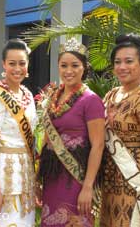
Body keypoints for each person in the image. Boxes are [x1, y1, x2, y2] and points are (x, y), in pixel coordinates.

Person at [37, 37, 105, 227]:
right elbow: (47, 138)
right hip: (52, 176)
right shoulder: (53, 97)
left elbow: (98, 145)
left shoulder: (91, 100)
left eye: (75, 65)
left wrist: (88, 186)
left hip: (76, 178)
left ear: (84, 67)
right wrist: (38, 178)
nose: (69, 71)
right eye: (63, 65)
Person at [100, 34, 140, 226]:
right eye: (117, 62)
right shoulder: (111, 95)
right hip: (109, 178)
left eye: (129, 61)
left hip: (135, 181)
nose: (122, 67)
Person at [0, 38, 37, 226]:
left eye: (22, 63)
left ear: (27, 65)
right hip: (5, 176)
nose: (17, 68)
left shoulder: (28, 95)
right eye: (12, 63)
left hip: (26, 177)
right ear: (3, 65)